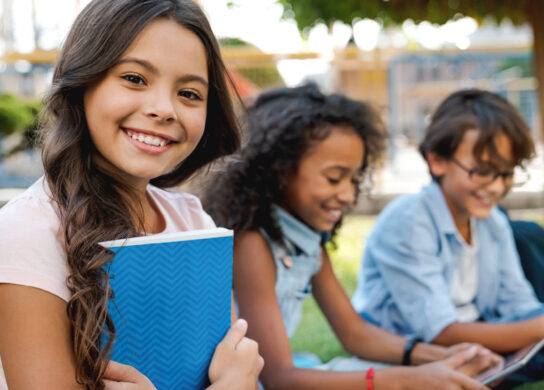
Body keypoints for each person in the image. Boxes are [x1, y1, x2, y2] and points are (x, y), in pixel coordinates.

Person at [0, 1, 263, 389]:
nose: (164, 109)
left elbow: (232, 359)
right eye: (135, 79)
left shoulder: (192, 221)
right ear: (83, 82)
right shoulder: (27, 232)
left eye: (189, 93)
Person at [204, 84, 501, 390]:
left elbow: (354, 332)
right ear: (279, 170)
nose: (347, 194)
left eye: (354, 179)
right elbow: (279, 378)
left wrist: (440, 357)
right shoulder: (251, 243)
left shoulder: (307, 240)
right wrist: (407, 380)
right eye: (334, 178)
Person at [351, 89, 544, 389]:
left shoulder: (493, 223)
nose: (497, 187)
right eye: (484, 171)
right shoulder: (408, 221)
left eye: (507, 173)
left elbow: (518, 305)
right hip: (416, 352)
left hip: (477, 337)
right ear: (437, 160)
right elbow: (439, 332)